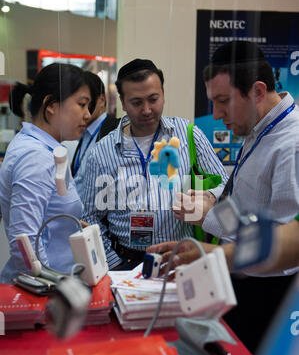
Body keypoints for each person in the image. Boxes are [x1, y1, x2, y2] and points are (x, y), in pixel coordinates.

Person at [150, 40, 299, 355]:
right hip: (242, 282)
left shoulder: (291, 145)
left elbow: (285, 244)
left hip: (270, 296)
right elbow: (248, 199)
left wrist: (209, 219)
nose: (216, 115)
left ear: (257, 92)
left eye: (223, 101)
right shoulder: (260, 127)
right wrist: (212, 198)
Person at [81, 58, 228, 270]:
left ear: (163, 96)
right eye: (137, 102)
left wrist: (209, 198)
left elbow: (224, 181)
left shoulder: (187, 135)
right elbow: (89, 217)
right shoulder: (102, 152)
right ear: (122, 102)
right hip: (125, 260)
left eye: (153, 99)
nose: (147, 110)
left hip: (181, 257)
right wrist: (113, 264)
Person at [0, 63, 96, 283]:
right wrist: (54, 289)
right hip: (45, 292)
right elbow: (24, 243)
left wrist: (68, 225)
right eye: (81, 105)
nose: (88, 115)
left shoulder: (44, 149)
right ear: (51, 105)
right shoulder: (36, 157)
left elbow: (43, 214)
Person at [71, 71, 120, 199]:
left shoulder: (115, 132)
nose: (83, 111)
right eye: (79, 104)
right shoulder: (84, 132)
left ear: (102, 100)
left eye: (86, 103)